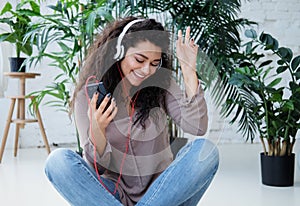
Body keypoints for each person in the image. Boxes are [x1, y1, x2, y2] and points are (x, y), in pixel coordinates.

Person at [44, 16, 219, 206]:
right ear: (119, 51)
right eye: (140, 59)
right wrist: (98, 129)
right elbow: (98, 169)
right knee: (57, 161)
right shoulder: (88, 97)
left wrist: (188, 70)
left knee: (206, 151)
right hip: (114, 196)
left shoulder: (162, 84)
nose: (146, 70)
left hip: (164, 193)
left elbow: (197, 127)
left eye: (154, 63)